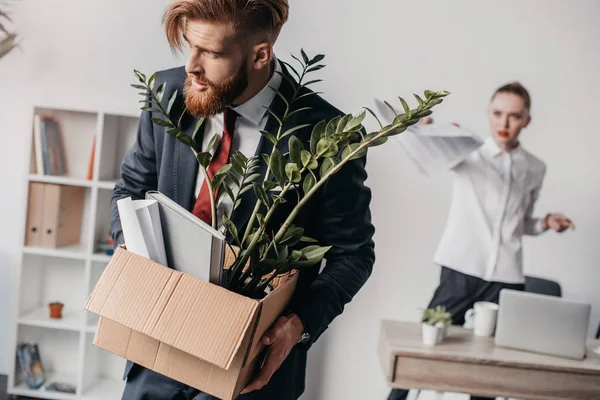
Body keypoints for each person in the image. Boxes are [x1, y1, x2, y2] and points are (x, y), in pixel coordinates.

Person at [110, 1, 375, 399]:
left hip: (252, 373)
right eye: (188, 45)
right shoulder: (166, 93)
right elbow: (130, 188)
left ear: (260, 54)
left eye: (212, 53)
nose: (191, 67)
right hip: (153, 353)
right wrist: (130, 244)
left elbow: (353, 253)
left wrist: (297, 325)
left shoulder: (328, 136)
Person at [388, 82, 575, 400]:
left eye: (514, 116)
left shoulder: (534, 168)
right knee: (424, 347)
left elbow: (521, 223)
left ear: (527, 119)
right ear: (488, 113)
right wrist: (421, 129)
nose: (504, 123)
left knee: (493, 368)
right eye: (498, 113)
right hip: (461, 266)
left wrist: (545, 222)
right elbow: (424, 155)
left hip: (506, 277)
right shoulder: (467, 151)